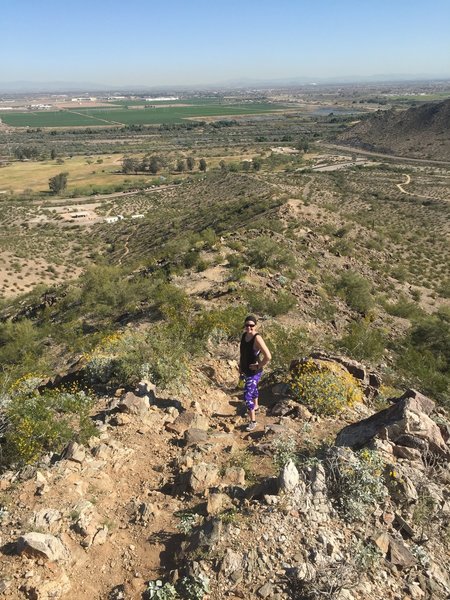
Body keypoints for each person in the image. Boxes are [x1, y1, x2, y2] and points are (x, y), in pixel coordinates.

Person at [239, 315, 272, 431]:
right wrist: (240, 367)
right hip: (246, 370)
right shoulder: (244, 336)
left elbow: (268, 356)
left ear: (255, 326)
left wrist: (258, 365)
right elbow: (242, 354)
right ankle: (256, 405)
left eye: (251, 325)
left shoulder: (257, 338)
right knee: (253, 389)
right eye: (247, 325)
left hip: (254, 372)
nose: (249, 327)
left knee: (247, 395)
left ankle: (253, 421)